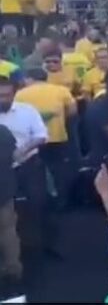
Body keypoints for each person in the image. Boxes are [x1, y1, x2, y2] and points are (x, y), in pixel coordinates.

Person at [14, 68, 78, 209]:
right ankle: (62, 200)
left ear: (29, 78)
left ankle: (40, 203)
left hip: (32, 142)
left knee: (36, 173)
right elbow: (73, 110)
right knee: (59, 170)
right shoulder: (61, 90)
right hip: (57, 137)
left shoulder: (19, 94)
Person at [0, 76, 48, 253]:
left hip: (27, 162)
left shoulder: (27, 111)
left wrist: (24, 149)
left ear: (14, 94)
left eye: (6, 95)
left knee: (37, 201)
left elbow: (41, 135)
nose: (3, 99)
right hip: (2, 168)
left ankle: (37, 243)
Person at [0, 122, 21, 296]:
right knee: (8, 231)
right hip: (4, 189)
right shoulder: (3, 131)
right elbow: (15, 156)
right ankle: (12, 270)